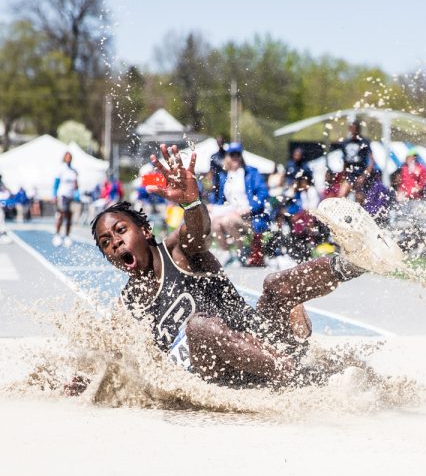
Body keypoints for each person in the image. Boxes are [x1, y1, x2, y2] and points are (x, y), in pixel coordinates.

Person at [88, 144, 397, 387]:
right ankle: (298, 377)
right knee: (197, 327)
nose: (114, 242)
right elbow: (109, 353)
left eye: (120, 231)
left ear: (144, 232)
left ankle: (356, 262)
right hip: (218, 375)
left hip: (259, 342)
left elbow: (197, 230)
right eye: (106, 243)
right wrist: (85, 379)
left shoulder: (177, 252)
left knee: (274, 285)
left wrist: (192, 202)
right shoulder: (129, 302)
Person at [209, 142, 270, 266]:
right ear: (228, 157)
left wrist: (250, 208)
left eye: (238, 154)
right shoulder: (225, 176)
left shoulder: (251, 173)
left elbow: (263, 194)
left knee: (227, 221)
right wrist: (212, 206)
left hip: (250, 216)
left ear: (241, 156)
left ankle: (241, 253)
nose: (235, 157)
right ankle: (227, 253)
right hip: (231, 212)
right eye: (232, 155)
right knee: (214, 223)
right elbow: (221, 199)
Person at [338, 120, 377, 198]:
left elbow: (372, 161)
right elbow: (345, 162)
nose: (353, 130)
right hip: (350, 174)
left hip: (362, 172)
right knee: (341, 196)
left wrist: (364, 175)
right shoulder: (345, 142)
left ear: (358, 129)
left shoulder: (364, 141)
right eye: (351, 128)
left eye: (355, 128)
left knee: (360, 197)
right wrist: (343, 175)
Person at [52, 151, 79, 247]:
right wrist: (54, 195)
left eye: (70, 157)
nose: (68, 159)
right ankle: (57, 235)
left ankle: (67, 236)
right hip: (62, 195)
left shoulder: (74, 171)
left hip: (70, 196)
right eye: (67, 157)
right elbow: (56, 184)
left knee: (69, 216)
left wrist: (77, 194)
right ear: (64, 158)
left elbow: (76, 185)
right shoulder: (61, 169)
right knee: (62, 214)